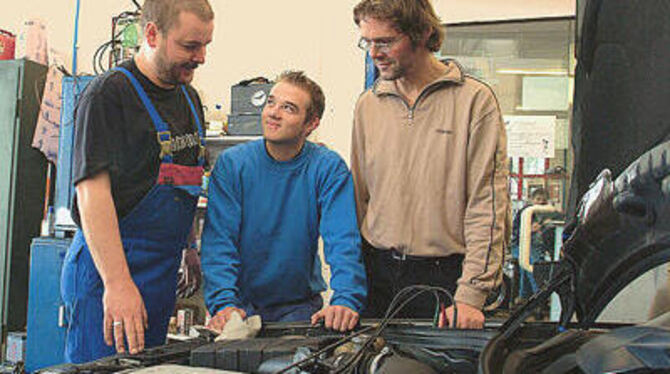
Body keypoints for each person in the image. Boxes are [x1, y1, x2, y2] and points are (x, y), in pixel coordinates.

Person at [60, 0, 214, 363]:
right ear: (151, 34)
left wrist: (189, 245)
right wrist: (117, 284)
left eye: (206, 45)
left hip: (160, 277)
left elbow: (183, 179)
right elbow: (91, 193)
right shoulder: (108, 95)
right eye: (190, 46)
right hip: (108, 273)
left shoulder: (190, 100)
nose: (202, 57)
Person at [351, 0, 509, 329]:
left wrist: (471, 294)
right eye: (367, 42)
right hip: (378, 275)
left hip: (446, 280)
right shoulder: (369, 104)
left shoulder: (474, 101)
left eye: (385, 41)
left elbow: (487, 205)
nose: (374, 53)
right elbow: (359, 197)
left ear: (422, 33)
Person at [201, 71, 367, 333]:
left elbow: (343, 240)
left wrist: (346, 300)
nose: (273, 113)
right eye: (271, 102)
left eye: (288, 108)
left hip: (298, 309)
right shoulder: (233, 164)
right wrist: (223, 303)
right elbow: (219, 242)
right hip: (238, 309)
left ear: (311, 123)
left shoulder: (328, 168)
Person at [510, 188, 551, 302]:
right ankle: (539, 295)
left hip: (534, 247)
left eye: (543, 200)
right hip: (519, 245)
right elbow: (515, 233)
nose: (540, 202)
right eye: (538, 199)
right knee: (531, 262)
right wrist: (529, 230)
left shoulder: (544, 214)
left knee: (527, 265)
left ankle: (524, 296)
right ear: (532, 200)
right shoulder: (525, 213)